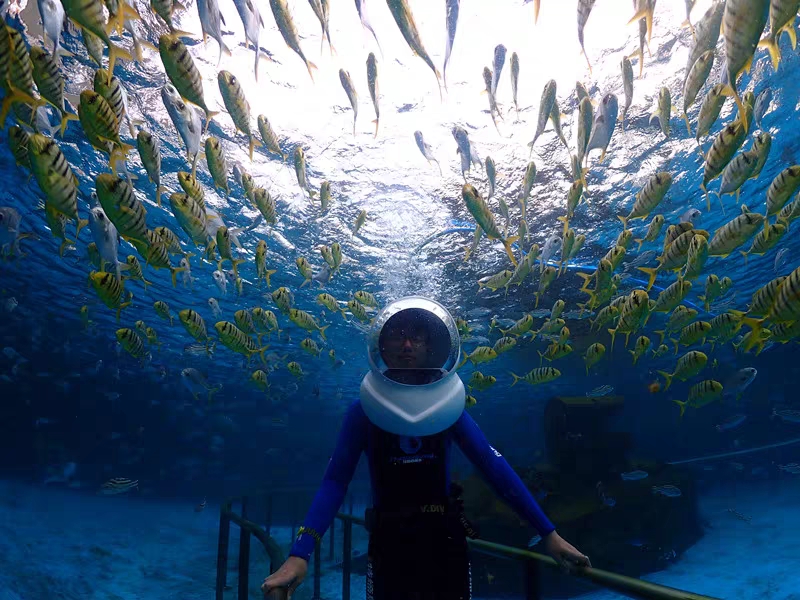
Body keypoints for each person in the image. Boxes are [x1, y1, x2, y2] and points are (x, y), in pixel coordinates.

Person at [262, 297, 589, 600]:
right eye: (397, 335)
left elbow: (492, 467)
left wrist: (548, 534)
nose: (406, 345)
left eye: (417, 337)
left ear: (431, 345)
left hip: (445, 539)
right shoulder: (364, 411)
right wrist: (299, 555)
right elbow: (335, 481)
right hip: (388, 542)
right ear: (381, 344)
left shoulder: (449, 407)